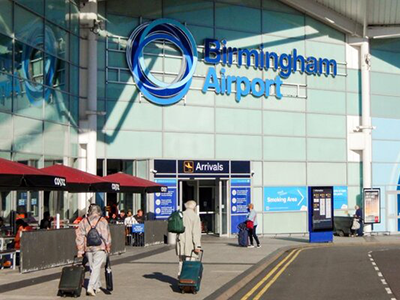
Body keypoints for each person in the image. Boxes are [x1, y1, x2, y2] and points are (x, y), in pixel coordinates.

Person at [75, 204, 111, 296]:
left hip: (88, 248)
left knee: (92, 267)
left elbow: (79, 236)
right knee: (96, 267)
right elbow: (106, 235)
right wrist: (108, 246)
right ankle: (90, 287)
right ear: (99, 211)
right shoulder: (102, 221)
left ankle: (97, 286)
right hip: (100, 247)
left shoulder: (84, 221)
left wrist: (80, 250)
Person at [176, 200, 201, 278]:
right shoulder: (195, 217)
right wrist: (197, 246)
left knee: (181, 260)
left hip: (180, 241)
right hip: (190, 243)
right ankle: (187, 277)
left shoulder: (180, 215)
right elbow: (196, 233)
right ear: (194, 207)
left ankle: (180, 275)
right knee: (190, 261)